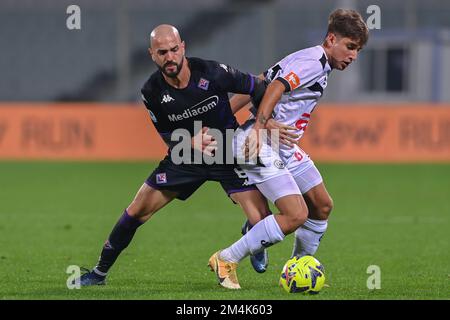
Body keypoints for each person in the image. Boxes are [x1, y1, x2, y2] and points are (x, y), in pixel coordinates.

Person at [78, 24, 281, 286]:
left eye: (174, 50)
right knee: (136, 211)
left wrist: (262, 124)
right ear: (152, 54)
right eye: (162, 52)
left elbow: (260, 85)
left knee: (263, 222)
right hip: (187, 157)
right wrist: (188, 141)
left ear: (183, 47)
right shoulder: (151, 91)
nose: (170, 57)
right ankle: (99, 273)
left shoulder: (213, 72)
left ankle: (252, 234)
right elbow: (166, 135)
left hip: (227, 154)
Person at [208, 8, 369, 289]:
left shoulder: (311, 60)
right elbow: (276, 87)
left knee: (321, 205)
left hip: (282, 145)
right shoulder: (314, 62)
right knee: (296, 214)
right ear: (332, 39)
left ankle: (297, 268)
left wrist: (223, 116)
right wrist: (259, 126)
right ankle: (226, 258)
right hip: (263, 143)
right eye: (350, 46)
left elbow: (260, 81)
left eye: (358, 50)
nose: (354, 55)